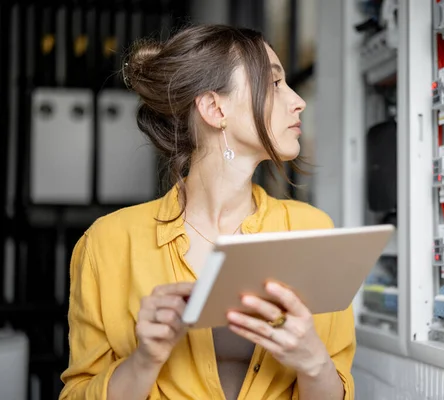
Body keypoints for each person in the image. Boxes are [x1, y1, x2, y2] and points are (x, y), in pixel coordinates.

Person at [58, 24, 356, 400]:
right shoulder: (107, 243)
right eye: (274, 84)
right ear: (215, 108)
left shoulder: (311, 230)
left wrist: (312, 362)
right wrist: (145, 359)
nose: (298, 101)